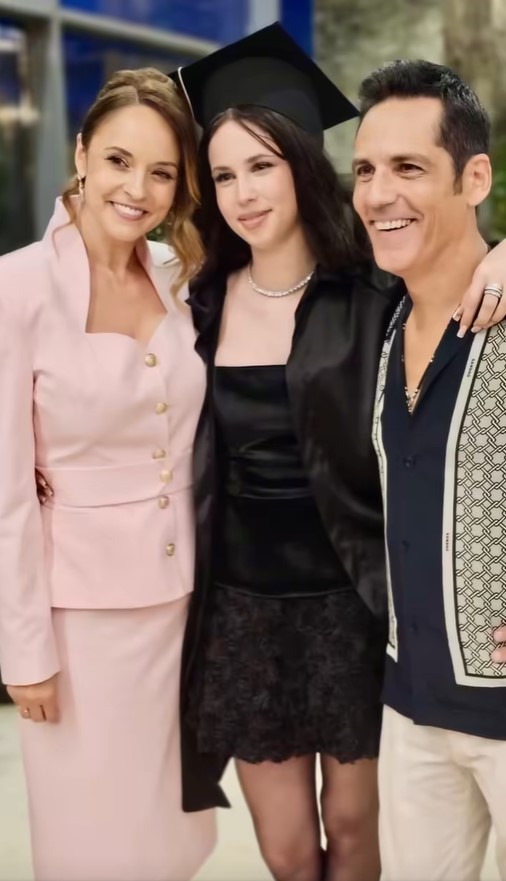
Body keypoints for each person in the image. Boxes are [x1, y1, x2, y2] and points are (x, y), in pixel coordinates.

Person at [170, 24, 506, 881]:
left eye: (261, 164)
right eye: (224, 175)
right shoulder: (195, 304)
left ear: (301, 161)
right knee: (287, 848)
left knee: (358, 831)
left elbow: (459, 256)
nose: (244, 192)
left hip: (354, 603)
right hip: (243, 611)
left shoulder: (375, 289)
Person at [0, 67, 215, 880]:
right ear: (82, 152)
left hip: (184, 604)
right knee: (93, 841)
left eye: (162, 172)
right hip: (79, 623)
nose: (138, 189)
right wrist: (24, 650)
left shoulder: (179, 275)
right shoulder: (15, 287)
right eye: (120, 161)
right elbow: (6, 493)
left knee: (170, 836)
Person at [352, 60, 506, 880]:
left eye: (408, 167)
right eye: (365, 170)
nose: (379, 193)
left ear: (473, 177)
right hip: (411, 704)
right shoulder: (381, 323)